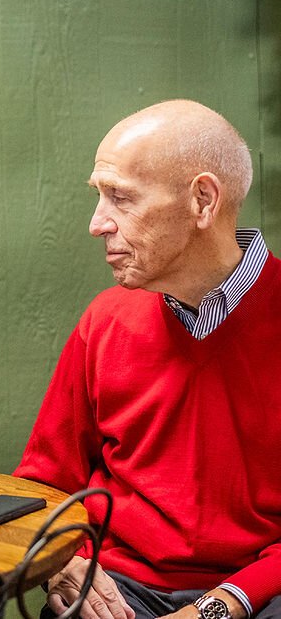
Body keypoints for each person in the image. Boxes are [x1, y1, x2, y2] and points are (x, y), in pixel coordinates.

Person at [15, 100, 281, 619]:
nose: (98, 224)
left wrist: (223, 605)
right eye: (99, 197)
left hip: (259, 592)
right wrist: (60, 558)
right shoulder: (105, 319)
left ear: (202, 201)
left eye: (120, 198)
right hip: (114, 589)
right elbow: (45, 483)